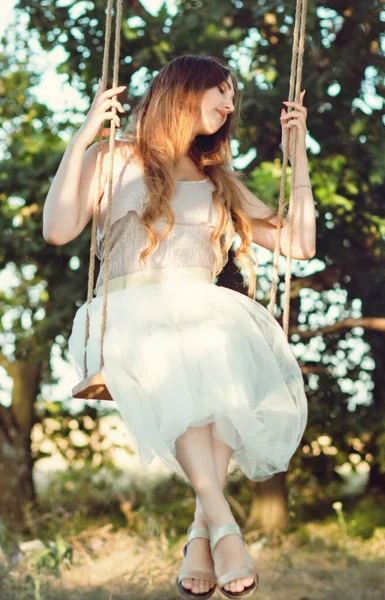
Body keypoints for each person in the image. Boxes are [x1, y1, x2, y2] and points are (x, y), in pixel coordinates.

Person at [43, 55, 315, 599]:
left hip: (202, 313)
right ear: (185, 90)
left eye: (232, 96)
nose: (230, 104)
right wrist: (83, 136)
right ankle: (224, 527)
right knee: (193, 359)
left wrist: (298, 156)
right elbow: (57, 229)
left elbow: (298, 245)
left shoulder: (218, 180)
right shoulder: (114, 159)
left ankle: (202, 534)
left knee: (214, 363)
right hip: (131, 315)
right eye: (222, 90)